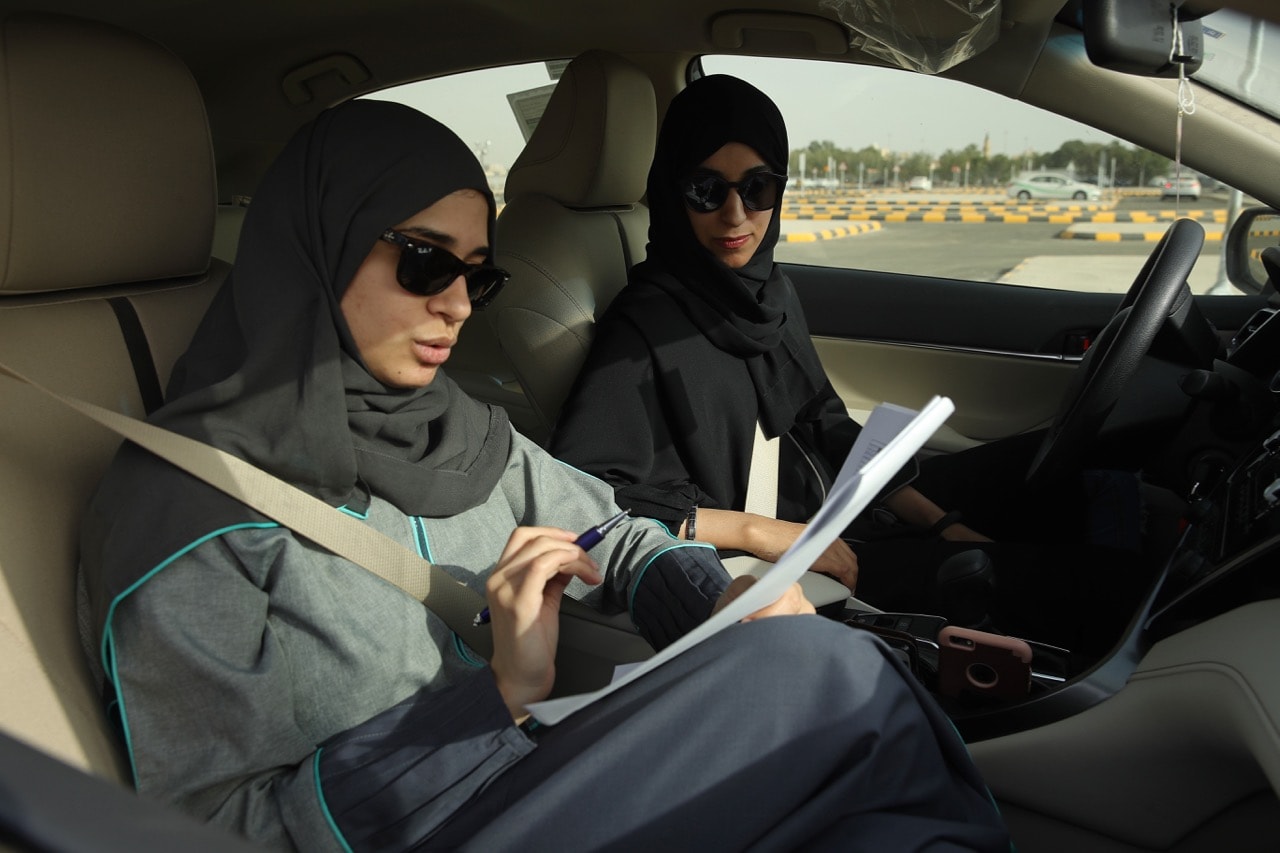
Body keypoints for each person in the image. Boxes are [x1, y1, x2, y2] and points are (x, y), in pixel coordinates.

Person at [77, 99, 1009, 851]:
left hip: (532, 770)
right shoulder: (189, 512)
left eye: (475, 278)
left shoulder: (464, 432)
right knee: (826, 682)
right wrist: (496, 698)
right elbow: (214, 828)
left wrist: (719, 602)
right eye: (422, 262)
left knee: (856, 775)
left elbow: (623, 533)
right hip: (434, 817)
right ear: (319, 247)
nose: (454, 307)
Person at [550, 75, 1153, 656]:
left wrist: (940, 522)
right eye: (705, 190)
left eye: (757, 187)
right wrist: (767, 534)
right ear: (671, 194)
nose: (735, 216)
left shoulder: (768, 293)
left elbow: (822, 421)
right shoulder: (643, 326)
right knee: (1090, 583)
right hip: (770, 562)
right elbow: (589, 496)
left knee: (1070, 470)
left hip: (835, 508)